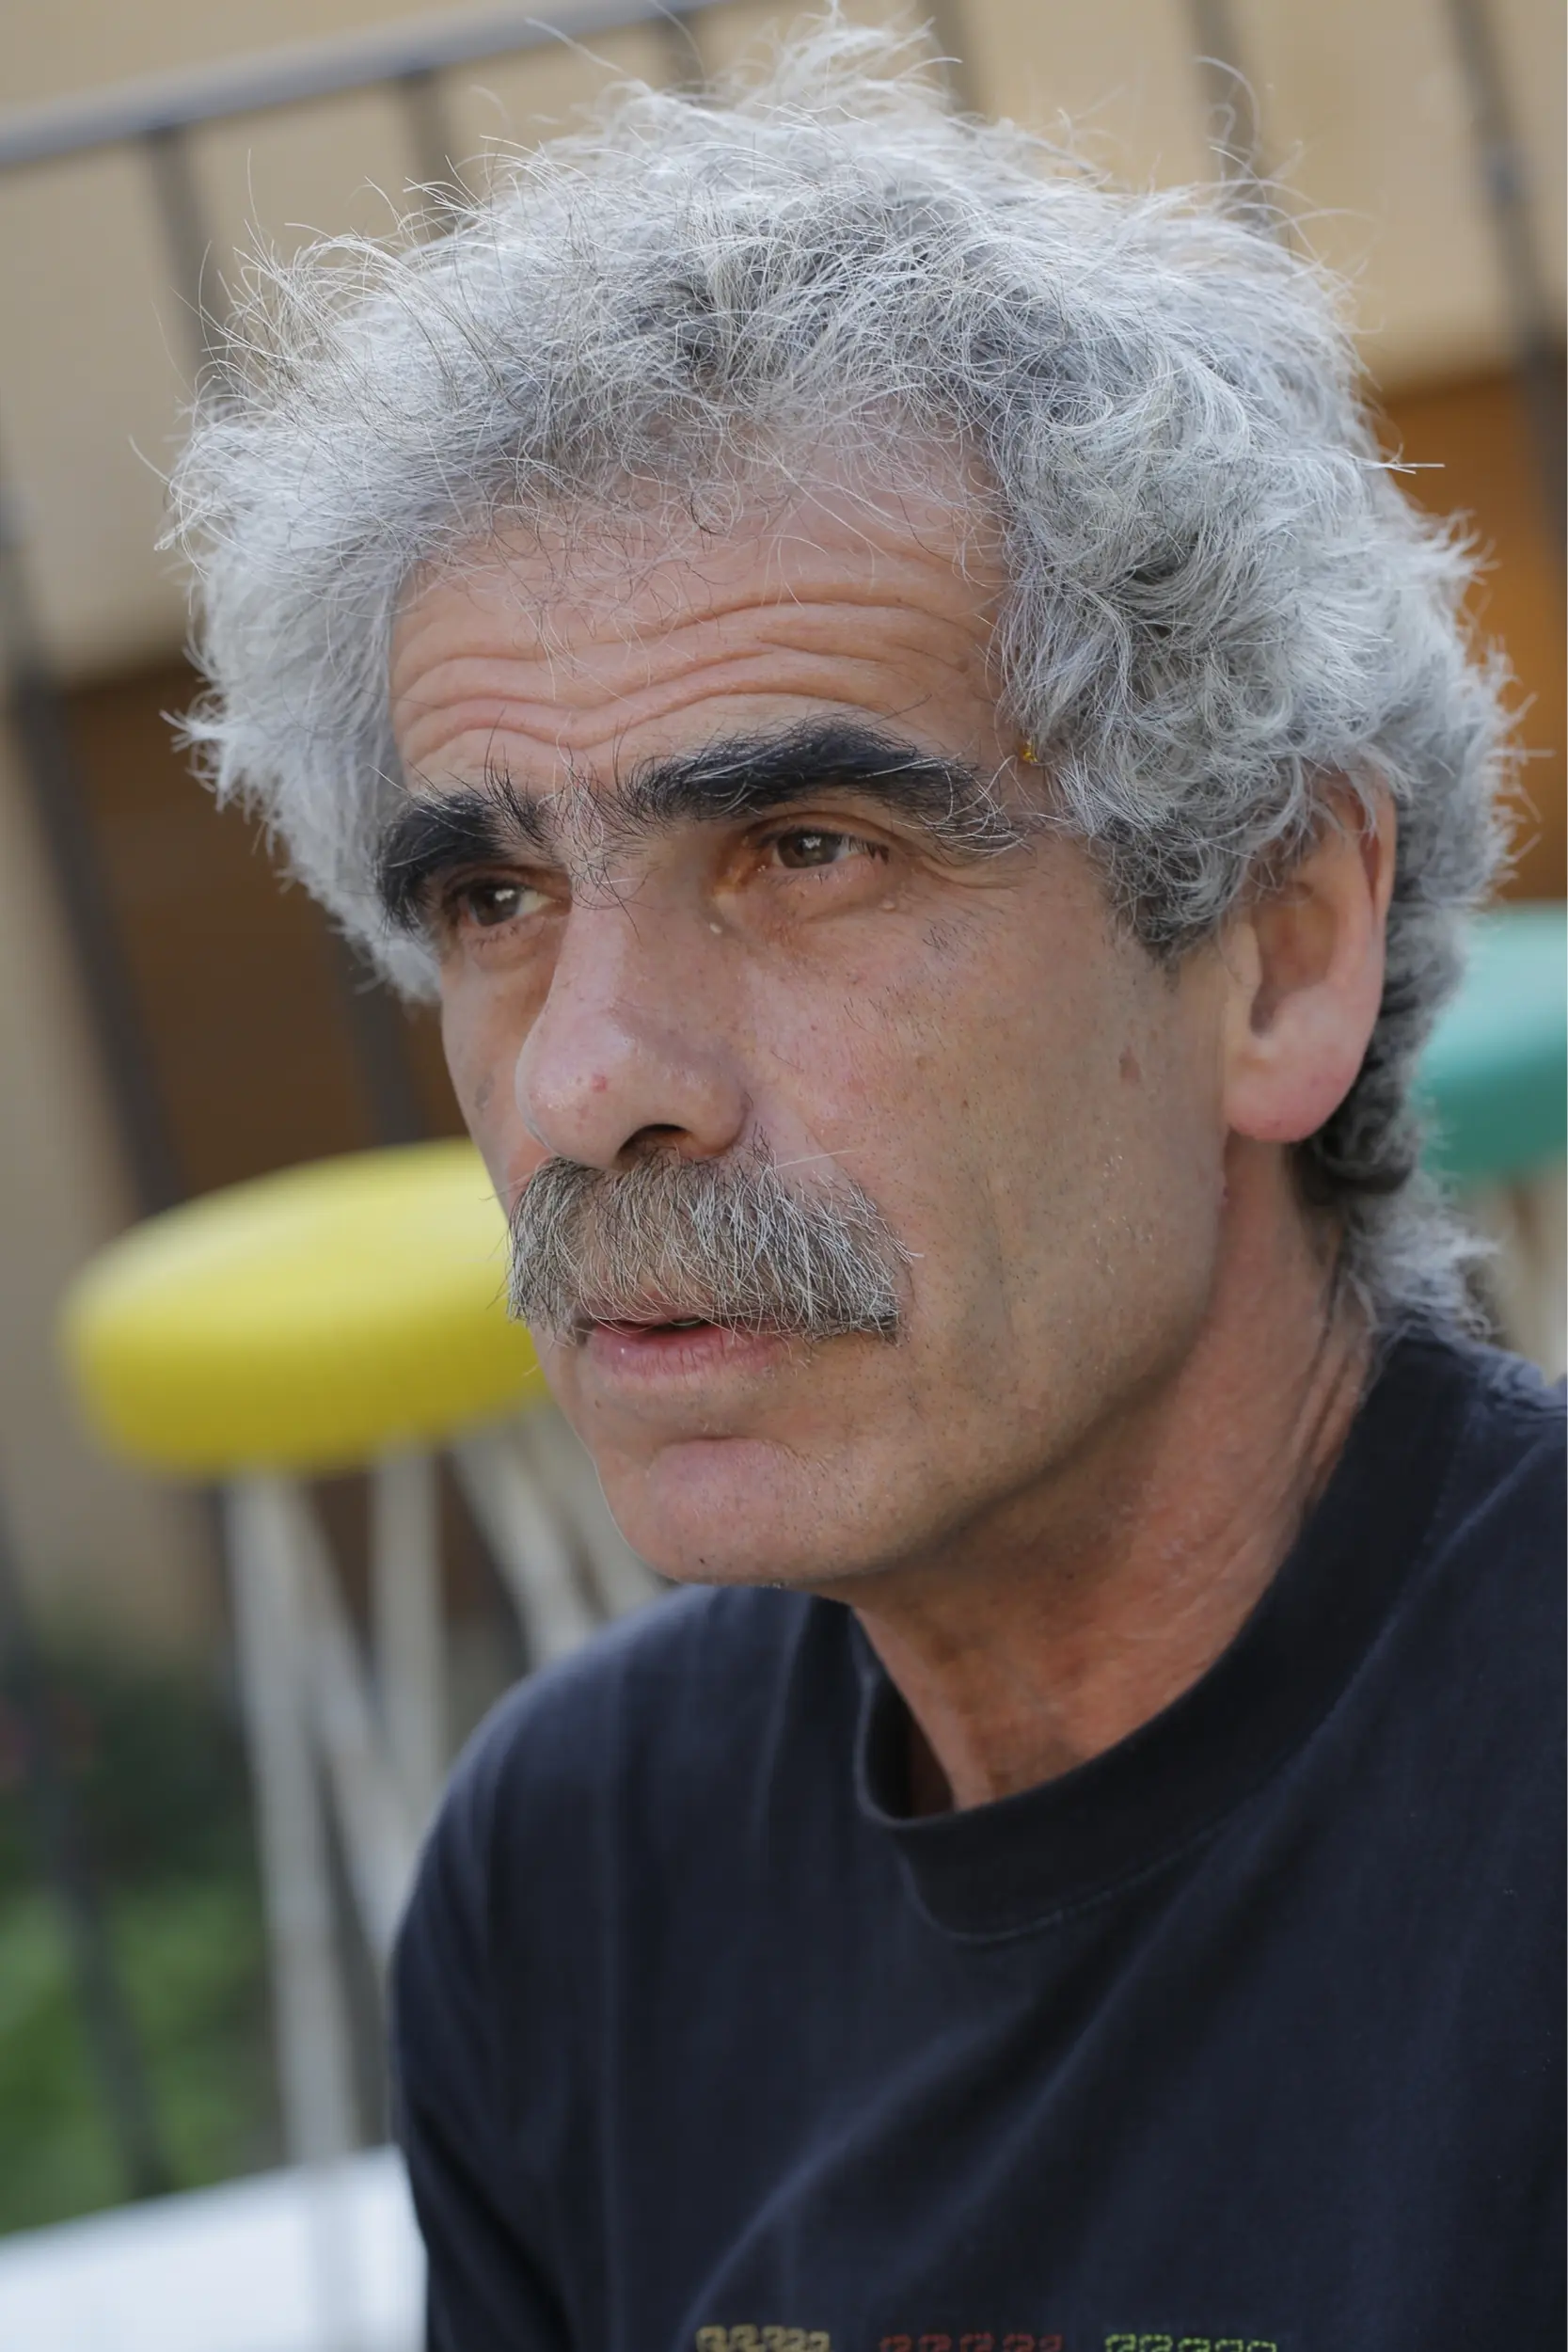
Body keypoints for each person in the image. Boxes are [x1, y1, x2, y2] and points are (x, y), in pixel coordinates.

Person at [170, 24, 1561, 2348]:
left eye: (804, 849)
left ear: (1279, 939)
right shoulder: (572, 1873)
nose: (588, 1082)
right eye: (493, 896)